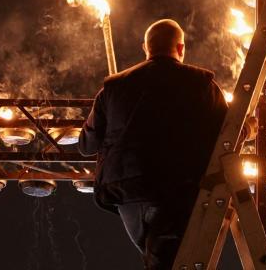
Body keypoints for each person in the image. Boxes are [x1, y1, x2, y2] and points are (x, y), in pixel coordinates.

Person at [79, 18, 229, 269]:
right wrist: (248, 127)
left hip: (125, 191)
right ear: (181, 48)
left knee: (157, 259)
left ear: (145, 48)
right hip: (177, 189)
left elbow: (86, 145)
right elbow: (225, 137)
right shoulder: (203, 84)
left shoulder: (113, 87)